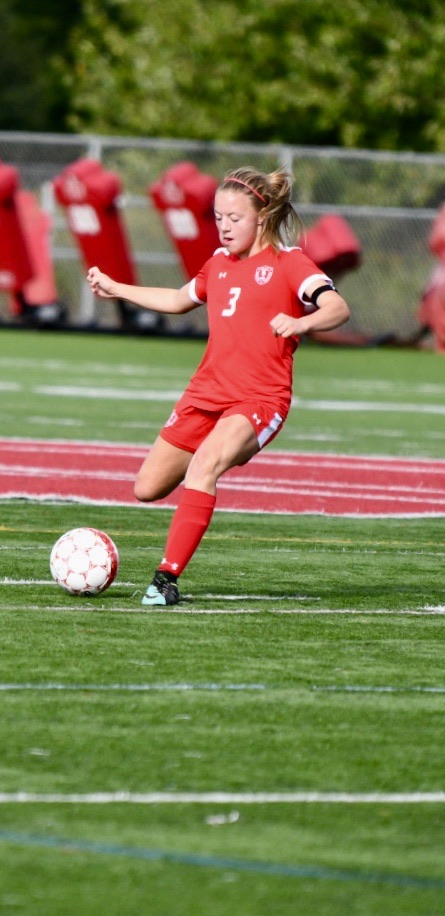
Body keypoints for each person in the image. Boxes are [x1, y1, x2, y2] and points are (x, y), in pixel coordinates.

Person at [87, 166, 351, 606]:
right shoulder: (218, 264)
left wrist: (301, 320)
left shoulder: (290, 264)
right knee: (146, 488)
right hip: (205, 393)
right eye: (218, 218)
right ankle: (168, 570)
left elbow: (338, 308)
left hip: (260, 398)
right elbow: (176, 300)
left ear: (262, 217)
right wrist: (117, 289)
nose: (224, 227)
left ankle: (165, 580)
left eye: (235, 218)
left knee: (204, 466)